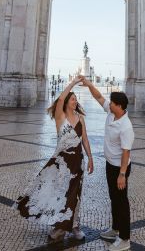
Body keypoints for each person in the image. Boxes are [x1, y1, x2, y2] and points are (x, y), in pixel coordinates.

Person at [13, 75, 93, 241]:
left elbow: (85, 139)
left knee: (75, 194)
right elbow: (62, 97)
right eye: (72, 99)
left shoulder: (80, 118)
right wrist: (73, 82)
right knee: (60, 193)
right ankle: (60, 226)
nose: (74, 101)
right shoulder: (60, 117)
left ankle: (74, 225)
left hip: (77, 161)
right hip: (62, 162)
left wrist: (91, 158)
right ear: (65, 102)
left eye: (76, 99)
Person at [81, 77, 134, 251]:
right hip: (110, 164)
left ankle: (125, 238)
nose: (108, 104)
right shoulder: (112, 113)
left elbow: (126, 152)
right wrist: (89, 84)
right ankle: (115, 228)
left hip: (120, 168)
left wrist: (122, 174)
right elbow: (98, 97)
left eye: (112, 103)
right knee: (114, 198)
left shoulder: (126, 126)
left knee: (121, 201)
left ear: (119, 106)